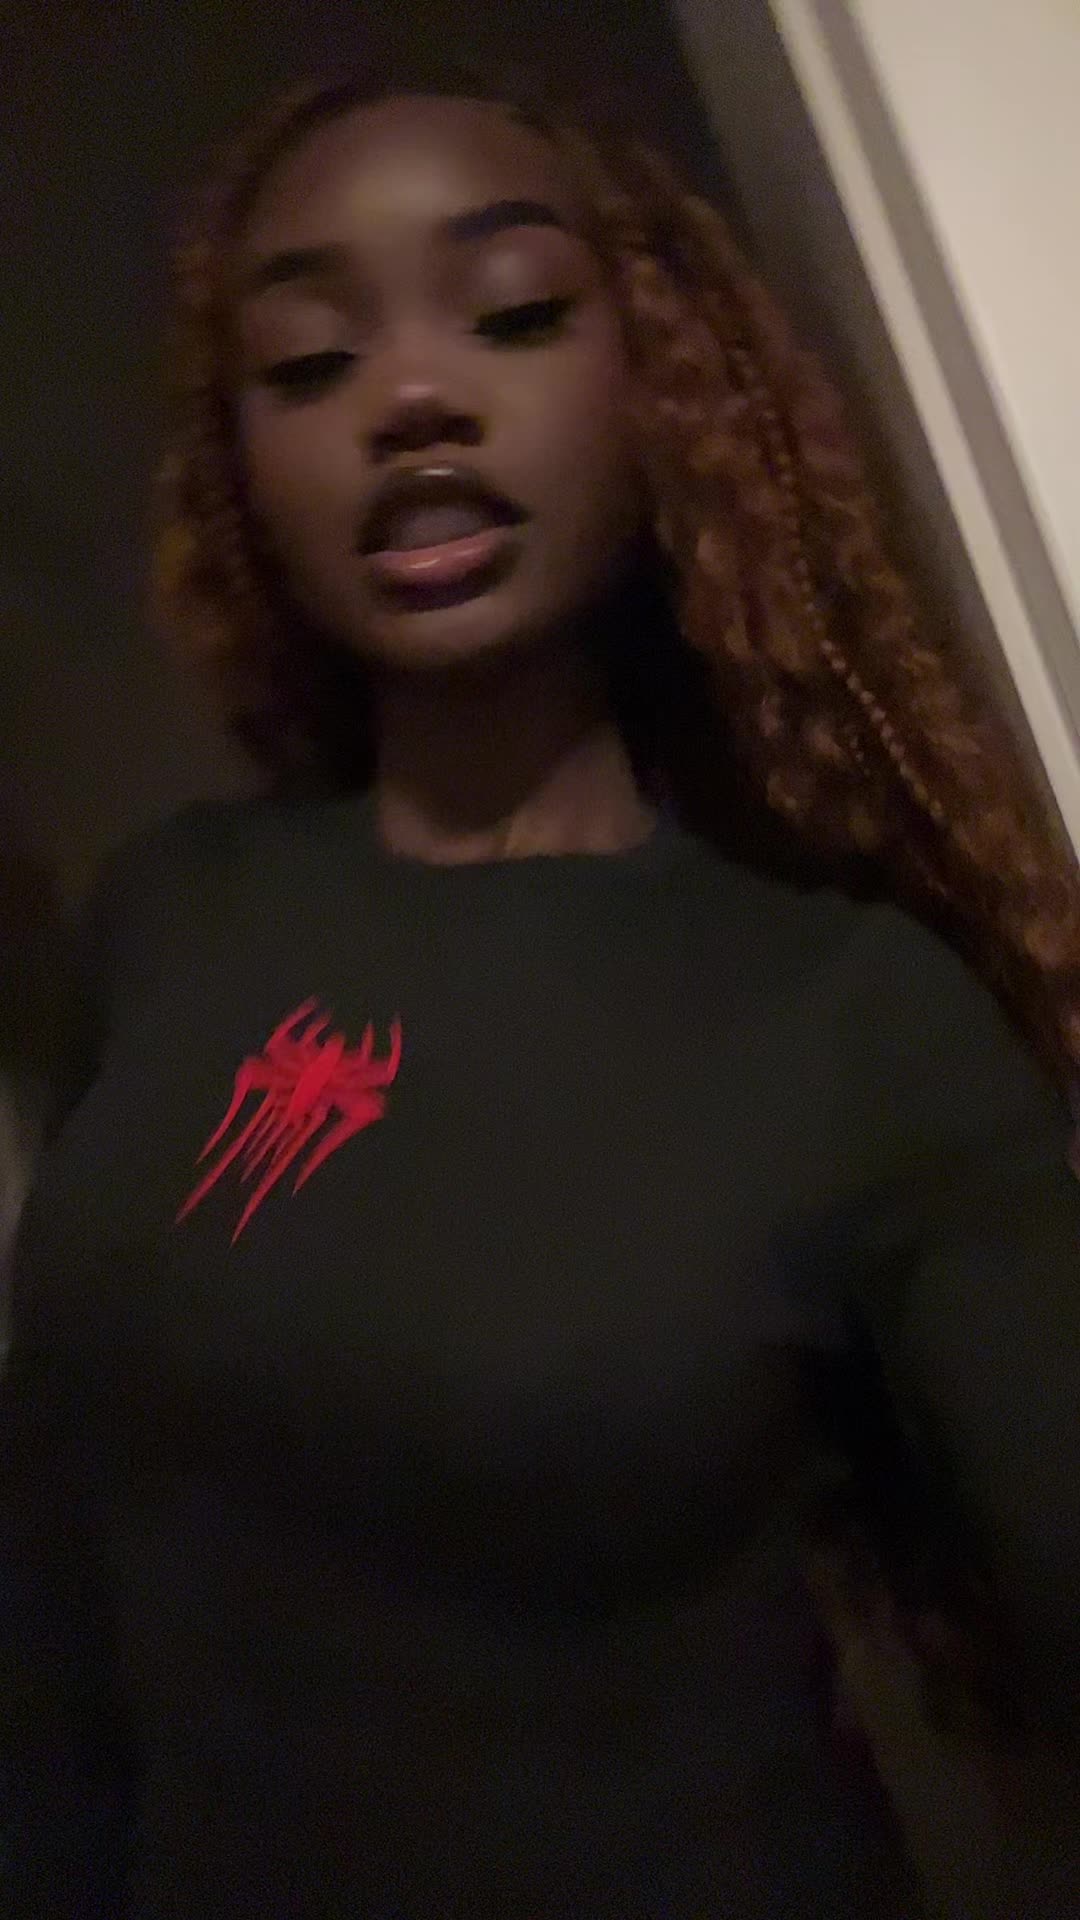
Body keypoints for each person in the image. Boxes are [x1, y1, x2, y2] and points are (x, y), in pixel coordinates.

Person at [4, 66, 1080, 1918]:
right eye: (310, 363)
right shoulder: (172, 918)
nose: (412, 398)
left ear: (659, 383)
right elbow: (50, 1575)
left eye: (511, 314)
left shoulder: (845, 1017)